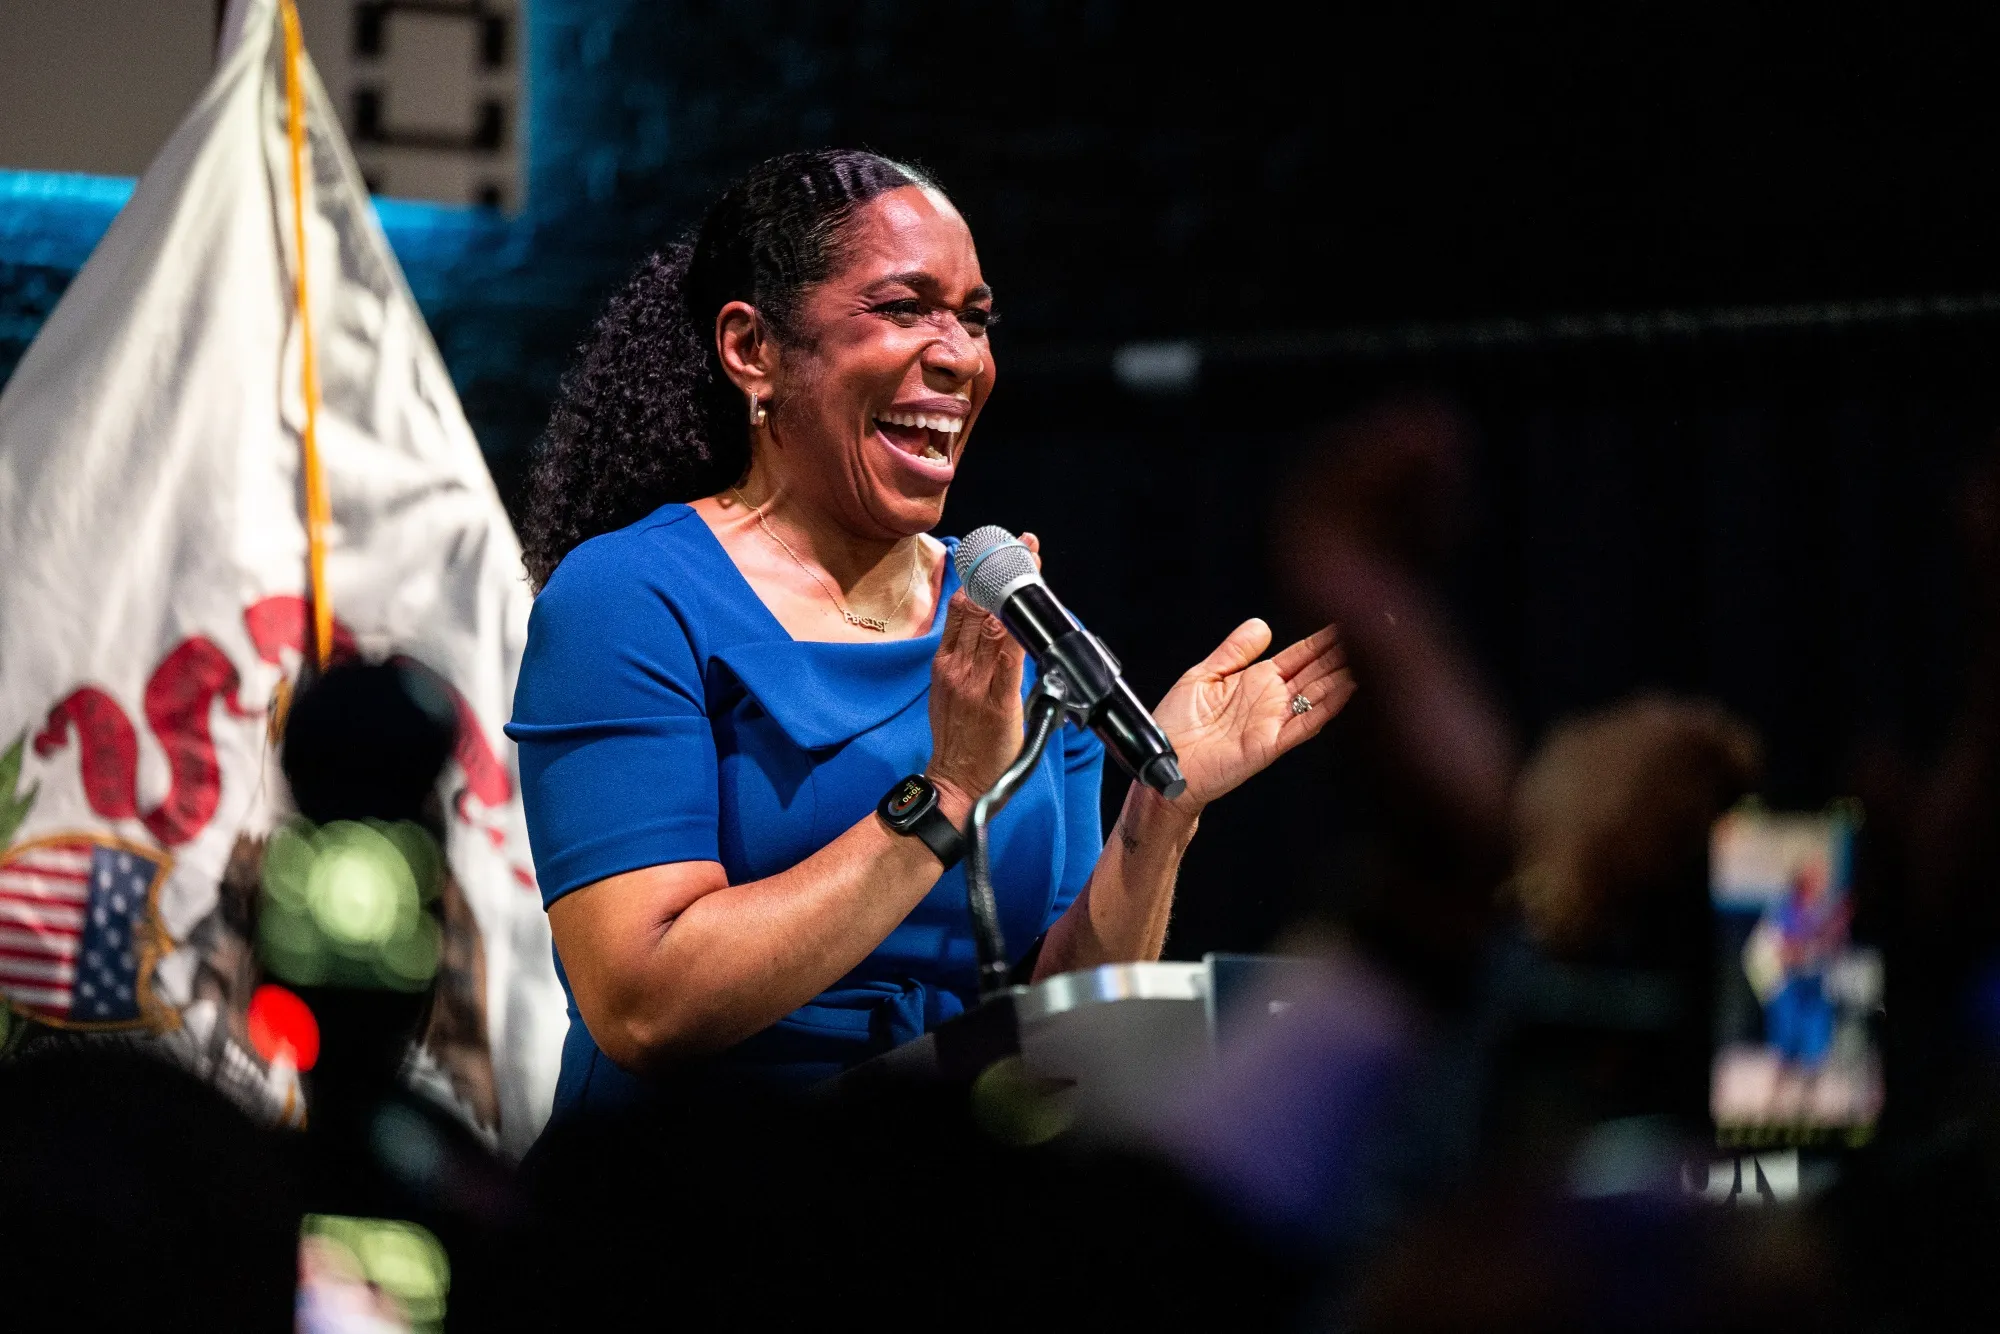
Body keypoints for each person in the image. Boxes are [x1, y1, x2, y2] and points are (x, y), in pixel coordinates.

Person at [508, 149, 1352, 1112]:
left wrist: (1163, 810)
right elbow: (645, 1005)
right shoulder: (631, 595)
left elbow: (1054, 1014)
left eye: (975, 318)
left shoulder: (1011, 618)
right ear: (753, 349)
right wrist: (943, 797)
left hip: (933, 1199)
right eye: (905, 309)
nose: (960, 356)